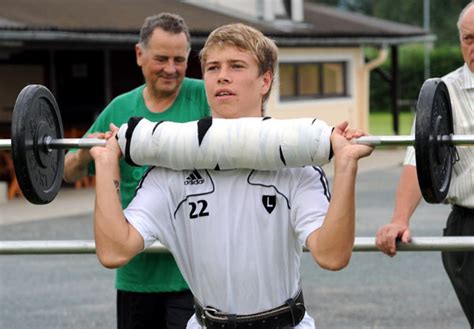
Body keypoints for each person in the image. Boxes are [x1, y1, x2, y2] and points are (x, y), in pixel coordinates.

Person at [90, 23, 373, 328]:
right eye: (213, 67)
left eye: (236, 66)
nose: (222, 75)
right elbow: (114, 250)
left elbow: (332, 256)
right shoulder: (170, 170)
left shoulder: (297, 166)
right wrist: (106, 168)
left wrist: (345, 167)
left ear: (265, 80)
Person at [63, 13, 210, 329]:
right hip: (136, 275)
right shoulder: (120, 108)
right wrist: (82, 155)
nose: (171, 69)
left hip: (196, 273)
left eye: (179, 60)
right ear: (139, 55)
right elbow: (68, 173)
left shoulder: (205, 96)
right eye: (161, 58)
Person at [375, 2, 474, 327]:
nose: (473, 47)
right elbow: (418, 161)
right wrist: (399, 219)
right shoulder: (442, 95)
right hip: (468, 228)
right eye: (468, 39)